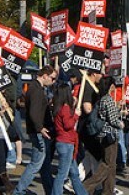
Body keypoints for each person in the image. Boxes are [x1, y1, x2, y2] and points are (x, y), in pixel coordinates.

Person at [14, 65, 57, 195]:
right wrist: (40, 128)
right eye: (52, 78)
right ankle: (19, 191)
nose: (53, 81)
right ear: (45, 76)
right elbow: (33, 112)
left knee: (45, 165)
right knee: (36, 164)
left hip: (39, 130)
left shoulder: (36, 88)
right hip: (39, 131)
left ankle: (50, 191)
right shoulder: (36, 89)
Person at [83, 76, 124, 195]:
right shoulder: (108, 99)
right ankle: (86, 187)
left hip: (104, 134)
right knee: (107, 165)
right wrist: (120, 124)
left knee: (111, 166)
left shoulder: (102, 99)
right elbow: (112, 120)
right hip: (110, 134)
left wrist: (117, 109)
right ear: (110, 86)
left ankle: (108, 190)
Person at [51, 83, 87, 195]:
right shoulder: (65, 108)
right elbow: (68, 125)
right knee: (62, 174)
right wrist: (76, 115)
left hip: (63, 142)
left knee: (74, 173)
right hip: (66, 143)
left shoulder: (58, 107)